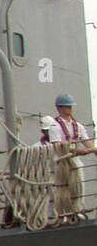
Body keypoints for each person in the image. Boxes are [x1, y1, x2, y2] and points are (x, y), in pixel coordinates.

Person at [46, 93, 94, 221]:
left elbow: (89, 143)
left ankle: (77, 210)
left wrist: (92, 150)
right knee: (60, 189)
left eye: (71, 106)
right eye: (68, 107)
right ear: (60, 108)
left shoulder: (78, 126)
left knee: (79, 186)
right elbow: (57, 146)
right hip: (61, 162)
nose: (71, 109)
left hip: (74, 161)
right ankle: (58, 214)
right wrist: (77, 151)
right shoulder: (54, 127)